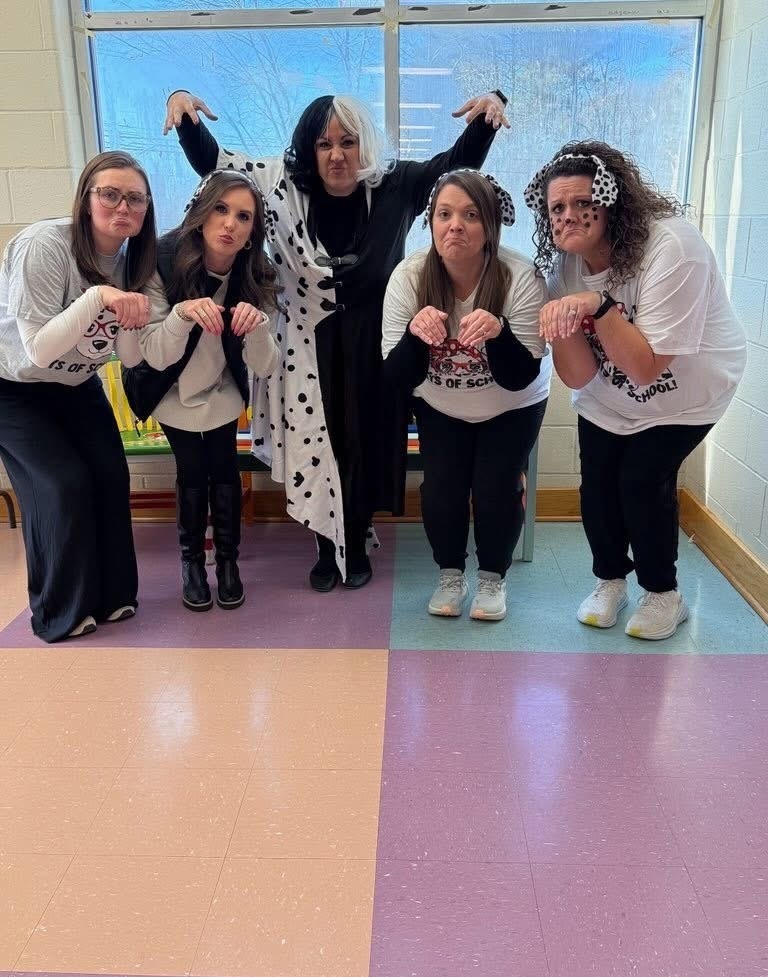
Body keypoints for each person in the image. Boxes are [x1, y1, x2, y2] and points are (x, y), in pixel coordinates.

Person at [162, 87, 509, 591]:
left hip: (377, 338)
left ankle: (357, 527)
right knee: (316, 441)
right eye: (324, 144)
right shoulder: (282, 186)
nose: (337, 155)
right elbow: (218, 169)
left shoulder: (395, 185)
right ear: (309, 147)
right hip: (306, 338)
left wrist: (489, 113)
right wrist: (185, 113)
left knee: (365, 439)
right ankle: (326, 543)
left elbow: (455, 165)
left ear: (363, 146)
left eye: (348, 142)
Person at [527, 141, 747, 640]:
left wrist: (599, 307)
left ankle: (663, 594)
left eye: (582, 203)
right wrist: (560, 323)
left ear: (612, 199)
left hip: (687, 390)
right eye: (556, 208)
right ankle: (610, 581)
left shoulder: (672, 247)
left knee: (641, 482)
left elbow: (647, 367)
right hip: (612, 392)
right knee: (598, 487)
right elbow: (580, 377)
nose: (568, 216)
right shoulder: (566, 266)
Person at [0, 151, 156, 642]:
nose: (121, 206)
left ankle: (112, 597)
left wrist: (130, 315)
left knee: (111, 475)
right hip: (15, 387)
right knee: (60, 485)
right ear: (86, 197)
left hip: (77, 383)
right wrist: (99, 297)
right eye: (109, 193)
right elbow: (40, 348)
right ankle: (58, 613)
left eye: (134, 198)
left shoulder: (136, 260)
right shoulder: (44, 245)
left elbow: (129, 359)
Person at [381, 169, 550, 621]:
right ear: (431, 223)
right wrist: (417, 337)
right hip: (442, 404)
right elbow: (396, 377)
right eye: (445, 214)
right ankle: (450, 574)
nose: (456, 225)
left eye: (471, 215)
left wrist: (498, 334)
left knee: (496, 487)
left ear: (490, 226)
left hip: (512, 404)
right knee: (441, 489)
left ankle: (493, 579)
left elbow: (520, 376)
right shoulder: (409, 276)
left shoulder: (519, 275)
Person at [123, 170, 280, 612]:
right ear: (200, 213)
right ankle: (192, 564)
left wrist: (259, 325)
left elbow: (266, 366)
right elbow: (152, 356)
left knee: (225, 470)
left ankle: (227, 564)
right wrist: (182, 315)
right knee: (192, 473)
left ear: (253, 231)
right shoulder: (162, 259)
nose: (230, 223)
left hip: (222, 392)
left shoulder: (256, 272)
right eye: (221, 209)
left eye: (243, 216)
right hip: (167, 391)